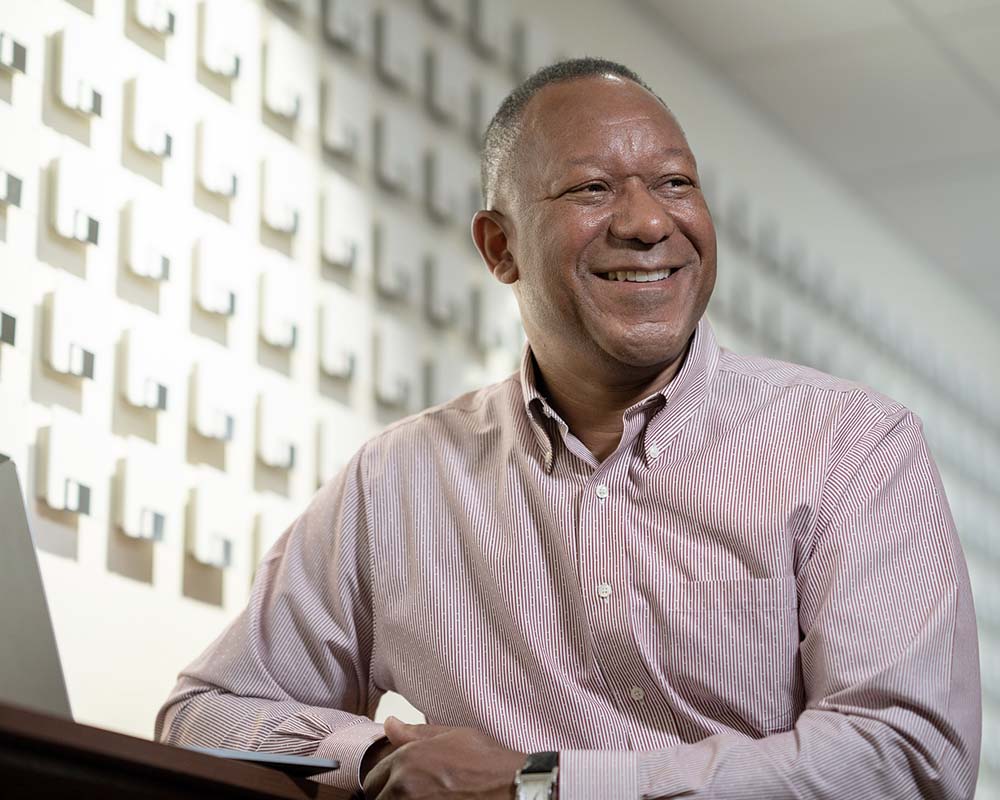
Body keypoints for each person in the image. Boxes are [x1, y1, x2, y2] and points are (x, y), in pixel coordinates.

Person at [156, 58, 981, 799]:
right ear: (499, 247)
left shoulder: (852, 444)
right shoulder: (398, 478)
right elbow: (209, 714)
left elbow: (904, 756)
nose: (647, 222)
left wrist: (543, 785)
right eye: (592, 189)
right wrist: (376, 758)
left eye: (675, 184)